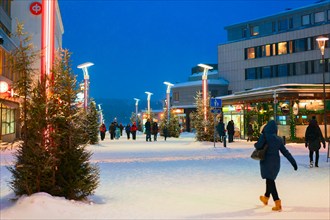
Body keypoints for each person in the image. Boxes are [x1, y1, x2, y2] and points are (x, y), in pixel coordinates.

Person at [255, 120, 297, 212]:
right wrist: (293, 162)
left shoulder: (264, 136)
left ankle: (277, 202)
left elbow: (258, 146)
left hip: (266, 162)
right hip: (276, 163)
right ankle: (266, 197)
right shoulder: (278, 139)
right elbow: (285, 152)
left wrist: (257, 143)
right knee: (269, 180)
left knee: (270, 182)